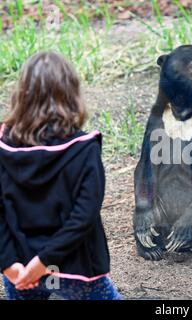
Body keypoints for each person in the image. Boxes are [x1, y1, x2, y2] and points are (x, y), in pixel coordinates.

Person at [0, 51, 121, 300]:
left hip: (19, 270)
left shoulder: (3, 148)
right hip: (76, 270)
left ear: (21, 95)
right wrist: (45, 262)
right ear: (71, 95)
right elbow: (83, 216)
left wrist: (9, 263)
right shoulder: (84, 149)